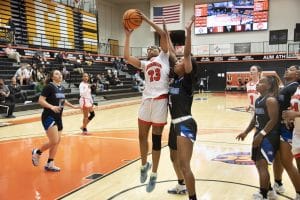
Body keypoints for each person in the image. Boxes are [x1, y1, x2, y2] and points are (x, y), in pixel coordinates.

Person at [124, 10, 169, 192]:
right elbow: (127, 57)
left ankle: (155, 174)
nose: (151, 48)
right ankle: (144, 165)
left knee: (156, 140)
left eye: (154, 47)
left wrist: (146, 19)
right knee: (142, 136)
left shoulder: (164, 58)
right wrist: (127, 36)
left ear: (159, 50)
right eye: (148, 48)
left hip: (160, 100)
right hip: (146, 101)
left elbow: (163, 34)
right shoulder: (145, 64)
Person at [167, 17, 198, 200]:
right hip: (174, 124)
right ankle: (180, 185)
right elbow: (172, 52)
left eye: (180, 62)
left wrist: (188, 32)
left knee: (185, 165)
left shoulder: (187, 80)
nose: (177, 62)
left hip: (185, 122)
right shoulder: (175, 79)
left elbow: (185, 55)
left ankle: (193, 197)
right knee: (173, 157)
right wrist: (165, 33)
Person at [236, 76, 280, 200]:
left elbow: (273, 120)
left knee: (262, 165)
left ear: (269, 86)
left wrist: (261, 135)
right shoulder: (259, 99)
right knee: (258, 164)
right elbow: (255, 119)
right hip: (259, 134)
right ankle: (270, 191)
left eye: (262, 82)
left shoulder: (270, 100)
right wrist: (246, 132)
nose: (258, 84)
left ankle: (263, 195)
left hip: (269, 136)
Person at [31, 70, 79, 172]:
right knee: (54, 140)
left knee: (57, 142)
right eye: (57, 73)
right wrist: (52, 107)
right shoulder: (49, 87)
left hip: (58, 117)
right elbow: (41, 100)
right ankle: (37, 152)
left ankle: (50, 163)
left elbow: (63, 100)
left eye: (60, 73)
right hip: (49, 116)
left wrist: (73, 106)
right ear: (52, 77)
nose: (60, 75)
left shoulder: (61, 87)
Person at [272, 65, 300, 195]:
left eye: (291, 69)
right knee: (278, 158)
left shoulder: (294, 87)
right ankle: (278, 183)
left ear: (297, 74)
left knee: (287, 161)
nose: (287, 70)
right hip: (280, 127)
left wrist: (292, 116)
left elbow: (294, 109)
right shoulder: (288, 87)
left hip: (288, 129)